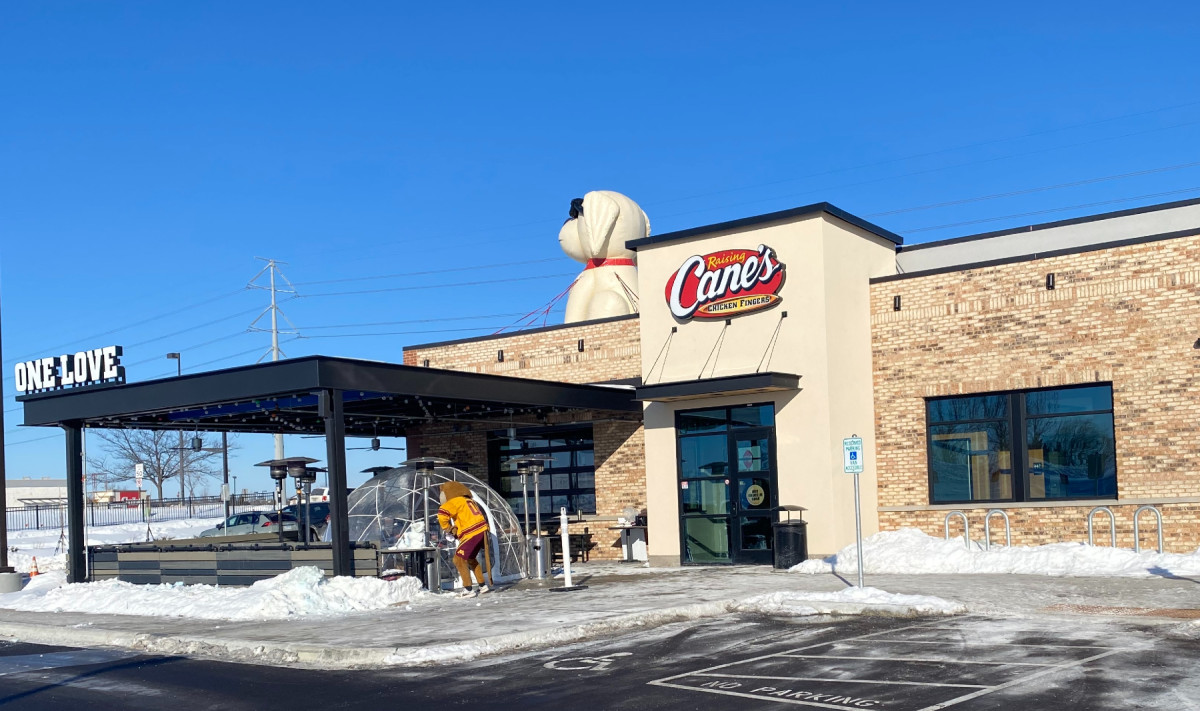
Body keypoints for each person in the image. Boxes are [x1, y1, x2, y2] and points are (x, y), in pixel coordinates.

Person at [436, 481, 491, 597]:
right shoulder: (469, 500)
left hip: (472, 532)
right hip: (482, 531)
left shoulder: (455, 501)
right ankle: (482, 585)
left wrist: (448, 529)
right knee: (470, 558)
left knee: (458, 559)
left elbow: (442, 513)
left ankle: (468, 589)